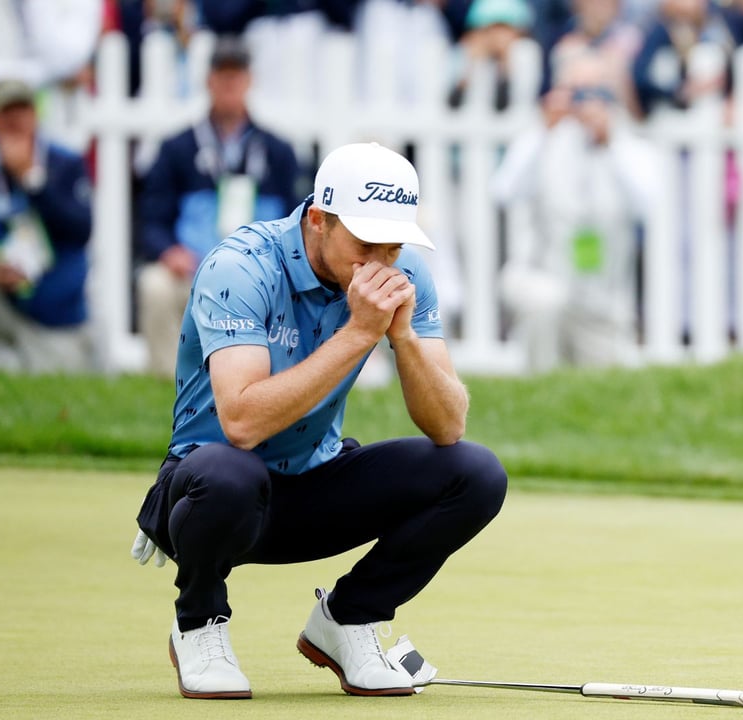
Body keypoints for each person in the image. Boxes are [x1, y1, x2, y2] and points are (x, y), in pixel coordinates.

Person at [129, 142, 508, 699]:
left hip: (312, 485)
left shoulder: (406, 274)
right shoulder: (240, 265)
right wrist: (358, 334)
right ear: (318, 220)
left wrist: (400, 336)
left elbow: (448, 426)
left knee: (475, 473)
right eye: (365, 244)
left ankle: (349, 619)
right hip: (209, 491)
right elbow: (240, 422)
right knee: (231, 474)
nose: (381, 263)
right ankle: (199, 622)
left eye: (394, 245)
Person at [135, 35, 301, 378]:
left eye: (236, 74)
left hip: (261, 277)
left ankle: (267, 383)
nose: (229, 83)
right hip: (193, 269)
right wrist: (168, 251)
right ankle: (168, 382)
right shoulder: (177, 148)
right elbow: (150, 218)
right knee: (154, 284)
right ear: (208, 80)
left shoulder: (278, 152)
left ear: (249, 80)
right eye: (222, 74)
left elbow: (298, 222)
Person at [491, 50, 658, 371]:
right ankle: (536, 384)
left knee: (606, 379)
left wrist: (609, 142)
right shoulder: (542, 138)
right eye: (576, 91)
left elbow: (647, 205)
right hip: (542, 279)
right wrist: (545, 130)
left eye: (596, 91)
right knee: (545, 300)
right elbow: (505, 191)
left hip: (602, 297)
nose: (585, 103)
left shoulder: (630, 147)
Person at [0, 78, 94, 372]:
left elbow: (80, 230)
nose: (14, 121)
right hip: (0, 295)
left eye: (21, 111)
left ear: (35, 115)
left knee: (59, 383)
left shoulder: (65, 164)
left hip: (53, 306)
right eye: (5, 113)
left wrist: (32, 180)